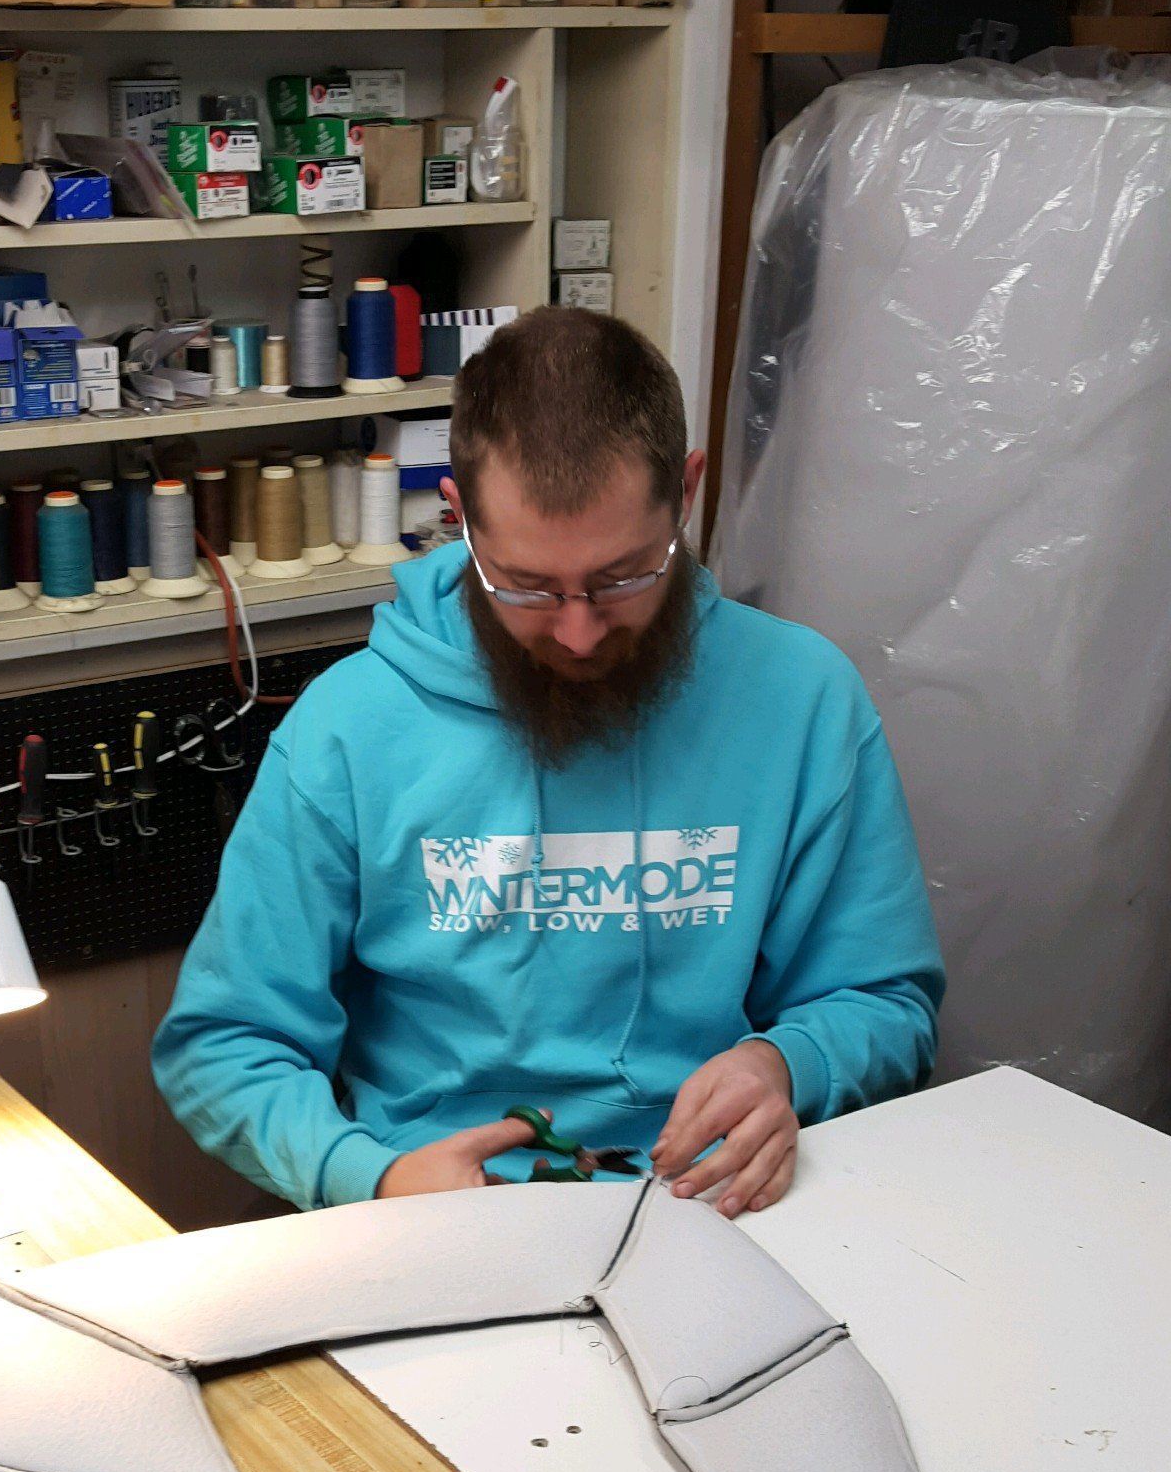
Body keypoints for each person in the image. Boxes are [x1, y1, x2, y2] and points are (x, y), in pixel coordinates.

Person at [153, 306, 942, 1216]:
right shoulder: (350, 729)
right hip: (441, 1207)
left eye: (622, 577)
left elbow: (886, 1000)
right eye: (526, 585)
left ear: (686, 493)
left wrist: (788, 1063)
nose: (576, 630)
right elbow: (224, 1044)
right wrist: (367, 1175)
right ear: (457, 515)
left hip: (717, 1199)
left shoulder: (802, 698)